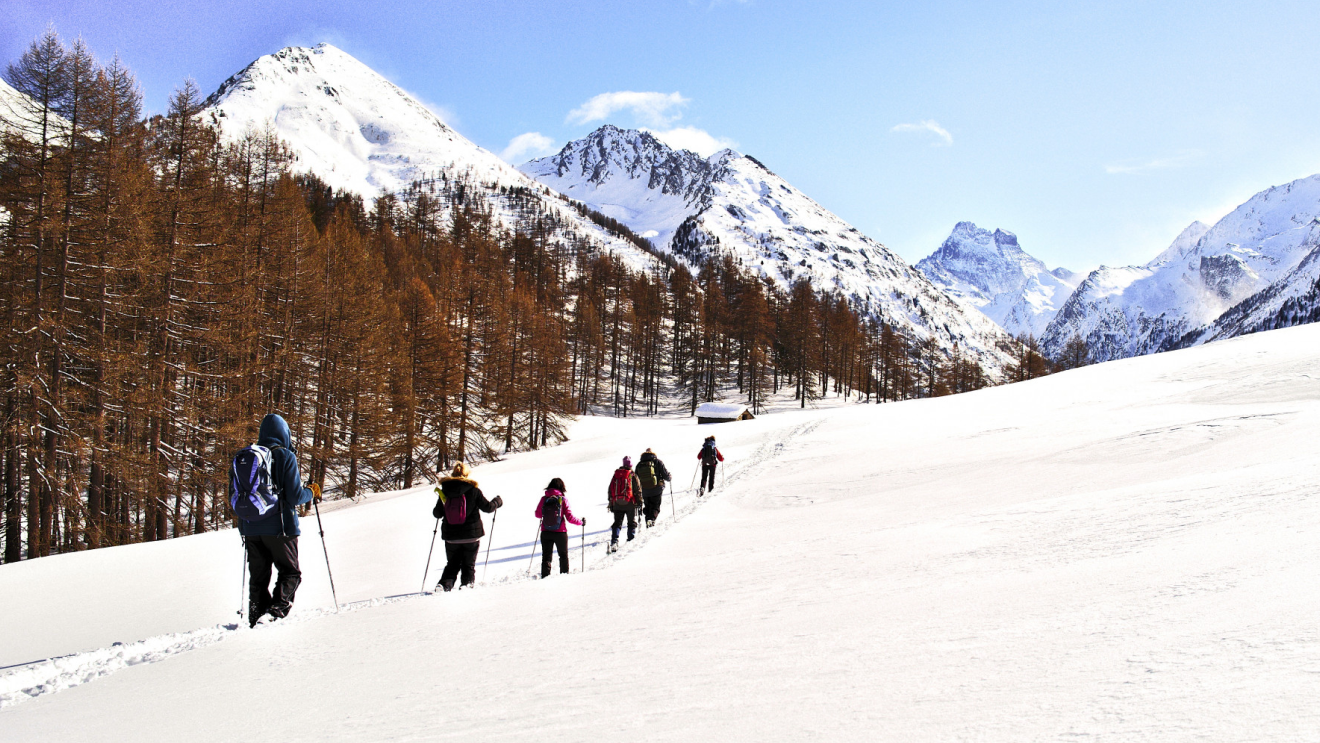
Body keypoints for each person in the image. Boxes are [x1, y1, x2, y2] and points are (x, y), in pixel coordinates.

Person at [239, 413, 315, 628]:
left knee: (258, 578)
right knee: (291, 572)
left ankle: (255, 617)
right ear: (285, 433)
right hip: (281, 528)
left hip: (251, 528)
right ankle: (275, 612)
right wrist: (311, 491)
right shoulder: (284, 456)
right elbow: (294, 497)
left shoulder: (246, 457)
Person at [433, 462, 503, 591]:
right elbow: (488, 508)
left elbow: (437, 513)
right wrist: (497, 502)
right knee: (468, 563)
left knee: (452, 563)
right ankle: (467, 583)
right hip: (471, 534)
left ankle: (444, 584)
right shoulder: (473, 490)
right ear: (466, 474)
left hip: (451, 536)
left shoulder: (445, 491)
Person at [535, 477, 584, 577]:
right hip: (560, 532)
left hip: (546, 532)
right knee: (563, 556)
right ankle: (564, 576)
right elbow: (570, 518)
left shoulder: (544, 499)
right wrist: (581, 522)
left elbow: (538, 515)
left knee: (546, 557)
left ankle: (545, 577)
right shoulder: (562, 499)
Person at [607, 456, 644, 552]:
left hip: (617, 503)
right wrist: (639, 502)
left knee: (617, 523)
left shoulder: (616, 475)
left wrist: (611, 503)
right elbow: (638, 490)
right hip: (630, 503)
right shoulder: (632, 475)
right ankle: (630, 540)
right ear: (631, 465)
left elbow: (610, 489)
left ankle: (614, 541)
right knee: (631, 522)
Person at [636, 448, 672, 527]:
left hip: (644, 490)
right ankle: (651, 520)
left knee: (648, 506)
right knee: (655, 506)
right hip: (657, 489)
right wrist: (669, 477)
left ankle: (648, 521)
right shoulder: (658, 462)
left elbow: (636, 479)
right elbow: (665, 475)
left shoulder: (640, 464)